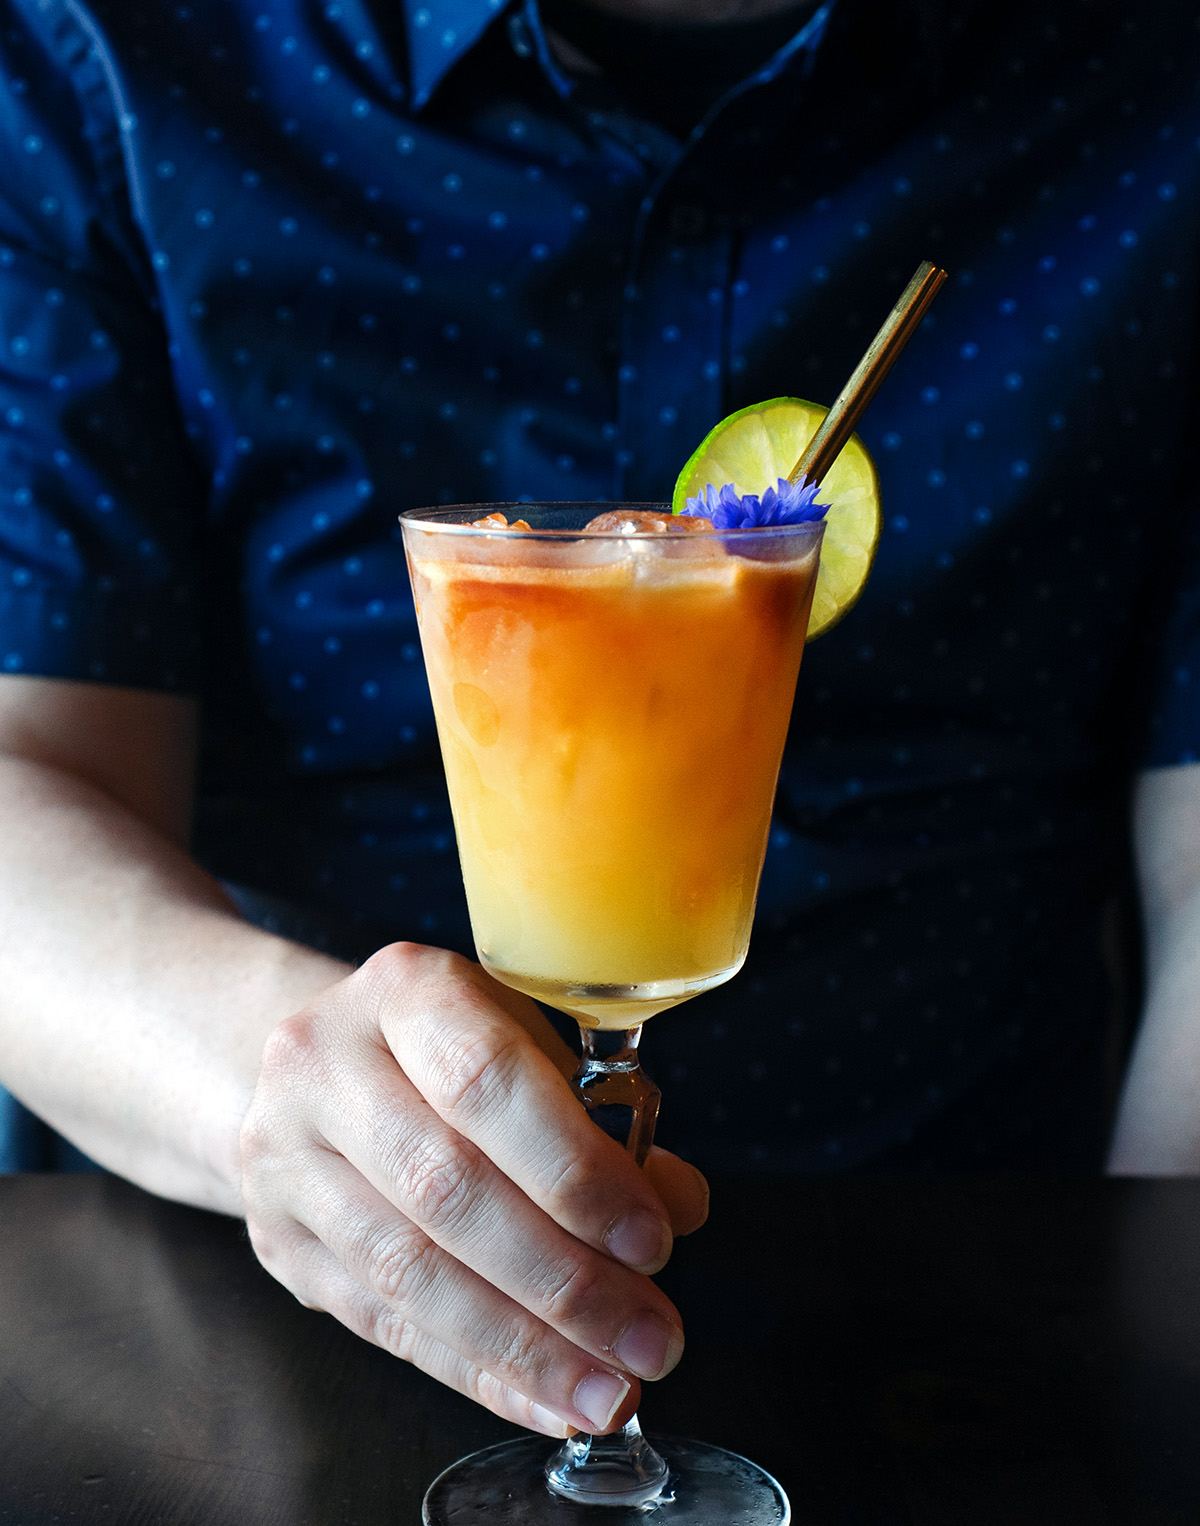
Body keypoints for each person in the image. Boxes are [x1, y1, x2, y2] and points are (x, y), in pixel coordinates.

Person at [0, 0, 1196, 1436]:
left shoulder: (1152, 84)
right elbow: (27, 782)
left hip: (980, 1344)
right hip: (233, 1346)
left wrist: (1144, 1359)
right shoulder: (116, 52)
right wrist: (285, 1084)